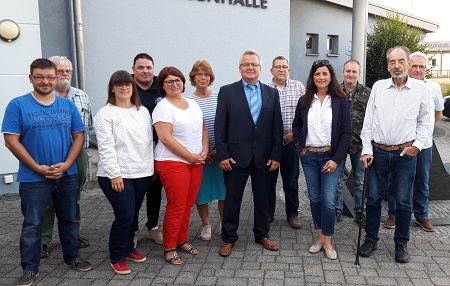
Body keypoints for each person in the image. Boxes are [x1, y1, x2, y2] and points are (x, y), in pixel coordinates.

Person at [2, 58, 93, 286]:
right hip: (34, 178)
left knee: (69, 219)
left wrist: (66, 164)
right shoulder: (18, 105)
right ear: (31, 78)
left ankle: (72, 257)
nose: (45, 81)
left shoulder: (67, 105)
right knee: (32, 224)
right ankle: (30, 269)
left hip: (67, 175)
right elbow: (11, 141)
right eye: (40, 77)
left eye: (50, 77)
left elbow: (79, 136)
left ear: (56, 78)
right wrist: (37, 168)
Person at [359, 46, 430, 264]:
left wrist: (416, 146)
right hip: (378, 153)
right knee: (373, 200)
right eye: (392, 61)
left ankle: (401, 243)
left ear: (408, 63)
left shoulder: (420, 89)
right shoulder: (379, 87)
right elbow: (368, 121)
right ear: (388, 64)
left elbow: (425, 122)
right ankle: (371, 239)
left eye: (400, 61)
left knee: (403, 201)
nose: (396, 65)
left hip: (405, 154)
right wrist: (367, 149)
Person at [215, 49, 283, 257]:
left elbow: (277, 128)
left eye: (254, 64)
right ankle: (228, 238)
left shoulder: (272, 93)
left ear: (261, 69)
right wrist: (223, 155)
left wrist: (276, 155)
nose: (250, 67)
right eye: (246, 64)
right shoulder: (227, 91)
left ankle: (262, 234)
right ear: (240, 68)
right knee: (232, 198)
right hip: (235, 156)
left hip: (263, 157)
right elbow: (220, 126)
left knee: (263, 198)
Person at [94, 70, 154, 274]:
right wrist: (114, 174)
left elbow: (147, 143)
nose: (124, 87)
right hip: (117, 175)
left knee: (133, 213)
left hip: (142, 172)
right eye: (119, 84)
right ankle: (117, 256)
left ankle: (129, 248)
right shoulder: (106, 113)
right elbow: (106, 147)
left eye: (127, 84)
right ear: (112, 88)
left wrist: (150, 168)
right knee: (124, 215)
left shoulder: (142, 111)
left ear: (133, 87)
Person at [292, 59, 351, 260]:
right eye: (317, 74)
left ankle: (328, 240)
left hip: (330, 157)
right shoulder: (305, 100)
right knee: (314, 198)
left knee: (328, 199)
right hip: (309, 157)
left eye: (324, 74)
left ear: (330, 76)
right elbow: (296, 125)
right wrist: (300, 146)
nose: (321, 77)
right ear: (313, 78)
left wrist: (336, 159)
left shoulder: (341, 101)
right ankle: (319, 237)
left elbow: (346, 132)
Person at [153, 66, 209, 265]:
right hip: (172, 162)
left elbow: (202, 128)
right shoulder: (163, 107)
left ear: (184, 83)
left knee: (188, 204)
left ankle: (181, 240)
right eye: (169, 81)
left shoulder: (193, 104)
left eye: (178, 80)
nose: (174, 84)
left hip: (195, 161)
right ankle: (169, 247)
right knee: (176, 206)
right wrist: (190, 156)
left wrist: (204, 151)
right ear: (162, 85)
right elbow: (165, 139)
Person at [384, 51, 444, 232]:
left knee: (422, 181)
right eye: (414, 66)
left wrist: (422, 131)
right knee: (396, 181)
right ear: (408, 66)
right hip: (401, 145)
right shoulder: (398, 87)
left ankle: (421, 216)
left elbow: (438, 114)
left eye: (422, 67)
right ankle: (393, 215)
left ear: (426, 69)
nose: (418, 70)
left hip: (424, 145)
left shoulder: (433, 88)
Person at [40, 56, 93, 259]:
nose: (64, 75)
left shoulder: (82, 96)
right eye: (60, 71)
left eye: (67, 71)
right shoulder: (43, 97)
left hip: (78, 155)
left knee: (73, 198)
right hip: (49, 155)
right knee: (46, 199)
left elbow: (90, 128)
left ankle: (71, 235)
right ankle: (43, 240)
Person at [185, 60, 226, 240]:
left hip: (220, 153)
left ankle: (225, 224)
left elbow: (226, 123)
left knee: (224, 191)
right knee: (202, 193)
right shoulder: (187, 101)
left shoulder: (219, 96)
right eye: (199, 74)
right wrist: (204, 152)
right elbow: (189, 129)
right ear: (193, 77)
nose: (203, 77)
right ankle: (206, 225)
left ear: (211, 77)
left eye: (206, 74)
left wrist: (219, 150)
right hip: (200, 155)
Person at [267, 56, 305, 229]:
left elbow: (306, 115)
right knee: (268, 180)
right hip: (270, 143)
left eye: (284, 67)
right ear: (271, 70)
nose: (281, 70)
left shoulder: (298, 87)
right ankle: (267, 214)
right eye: (277, 67)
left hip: (291, 141)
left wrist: (294, 134)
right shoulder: (265, 89)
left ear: (288, 70)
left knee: (291, 180)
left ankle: (293, 214)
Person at [131, 53, 164, 245]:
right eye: (141, 67)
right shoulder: (127, 88)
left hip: (159, 149)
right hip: (135, 151)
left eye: (148, 67)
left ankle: (153, 227)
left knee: (155, 191)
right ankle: (132, 229)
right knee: (135, 193)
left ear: (153, 69)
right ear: (134, 69)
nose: (145, 71)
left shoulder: (162, 88)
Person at [334, 60, 371, 224]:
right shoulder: (334, 91)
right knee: (337, 181)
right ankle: (337, 210)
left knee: (360, 181)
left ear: (359, 73)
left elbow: (373, 119)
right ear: (343, 72)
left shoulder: (368, 93)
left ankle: (359, 211)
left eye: (354, 72)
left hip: (360, 144)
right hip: (339, 144)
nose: (351, 74)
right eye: (348, 71)